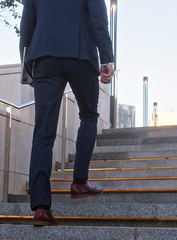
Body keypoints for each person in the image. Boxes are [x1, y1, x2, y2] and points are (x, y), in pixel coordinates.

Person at [19, 0, 114, 226]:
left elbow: (26, 26)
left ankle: (41, 208)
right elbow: (98, 18)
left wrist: (28, 68)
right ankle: (79, 181)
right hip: (80, 53)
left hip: (44, 57)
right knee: (89, 115)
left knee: (43, 131)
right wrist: (107, 56)